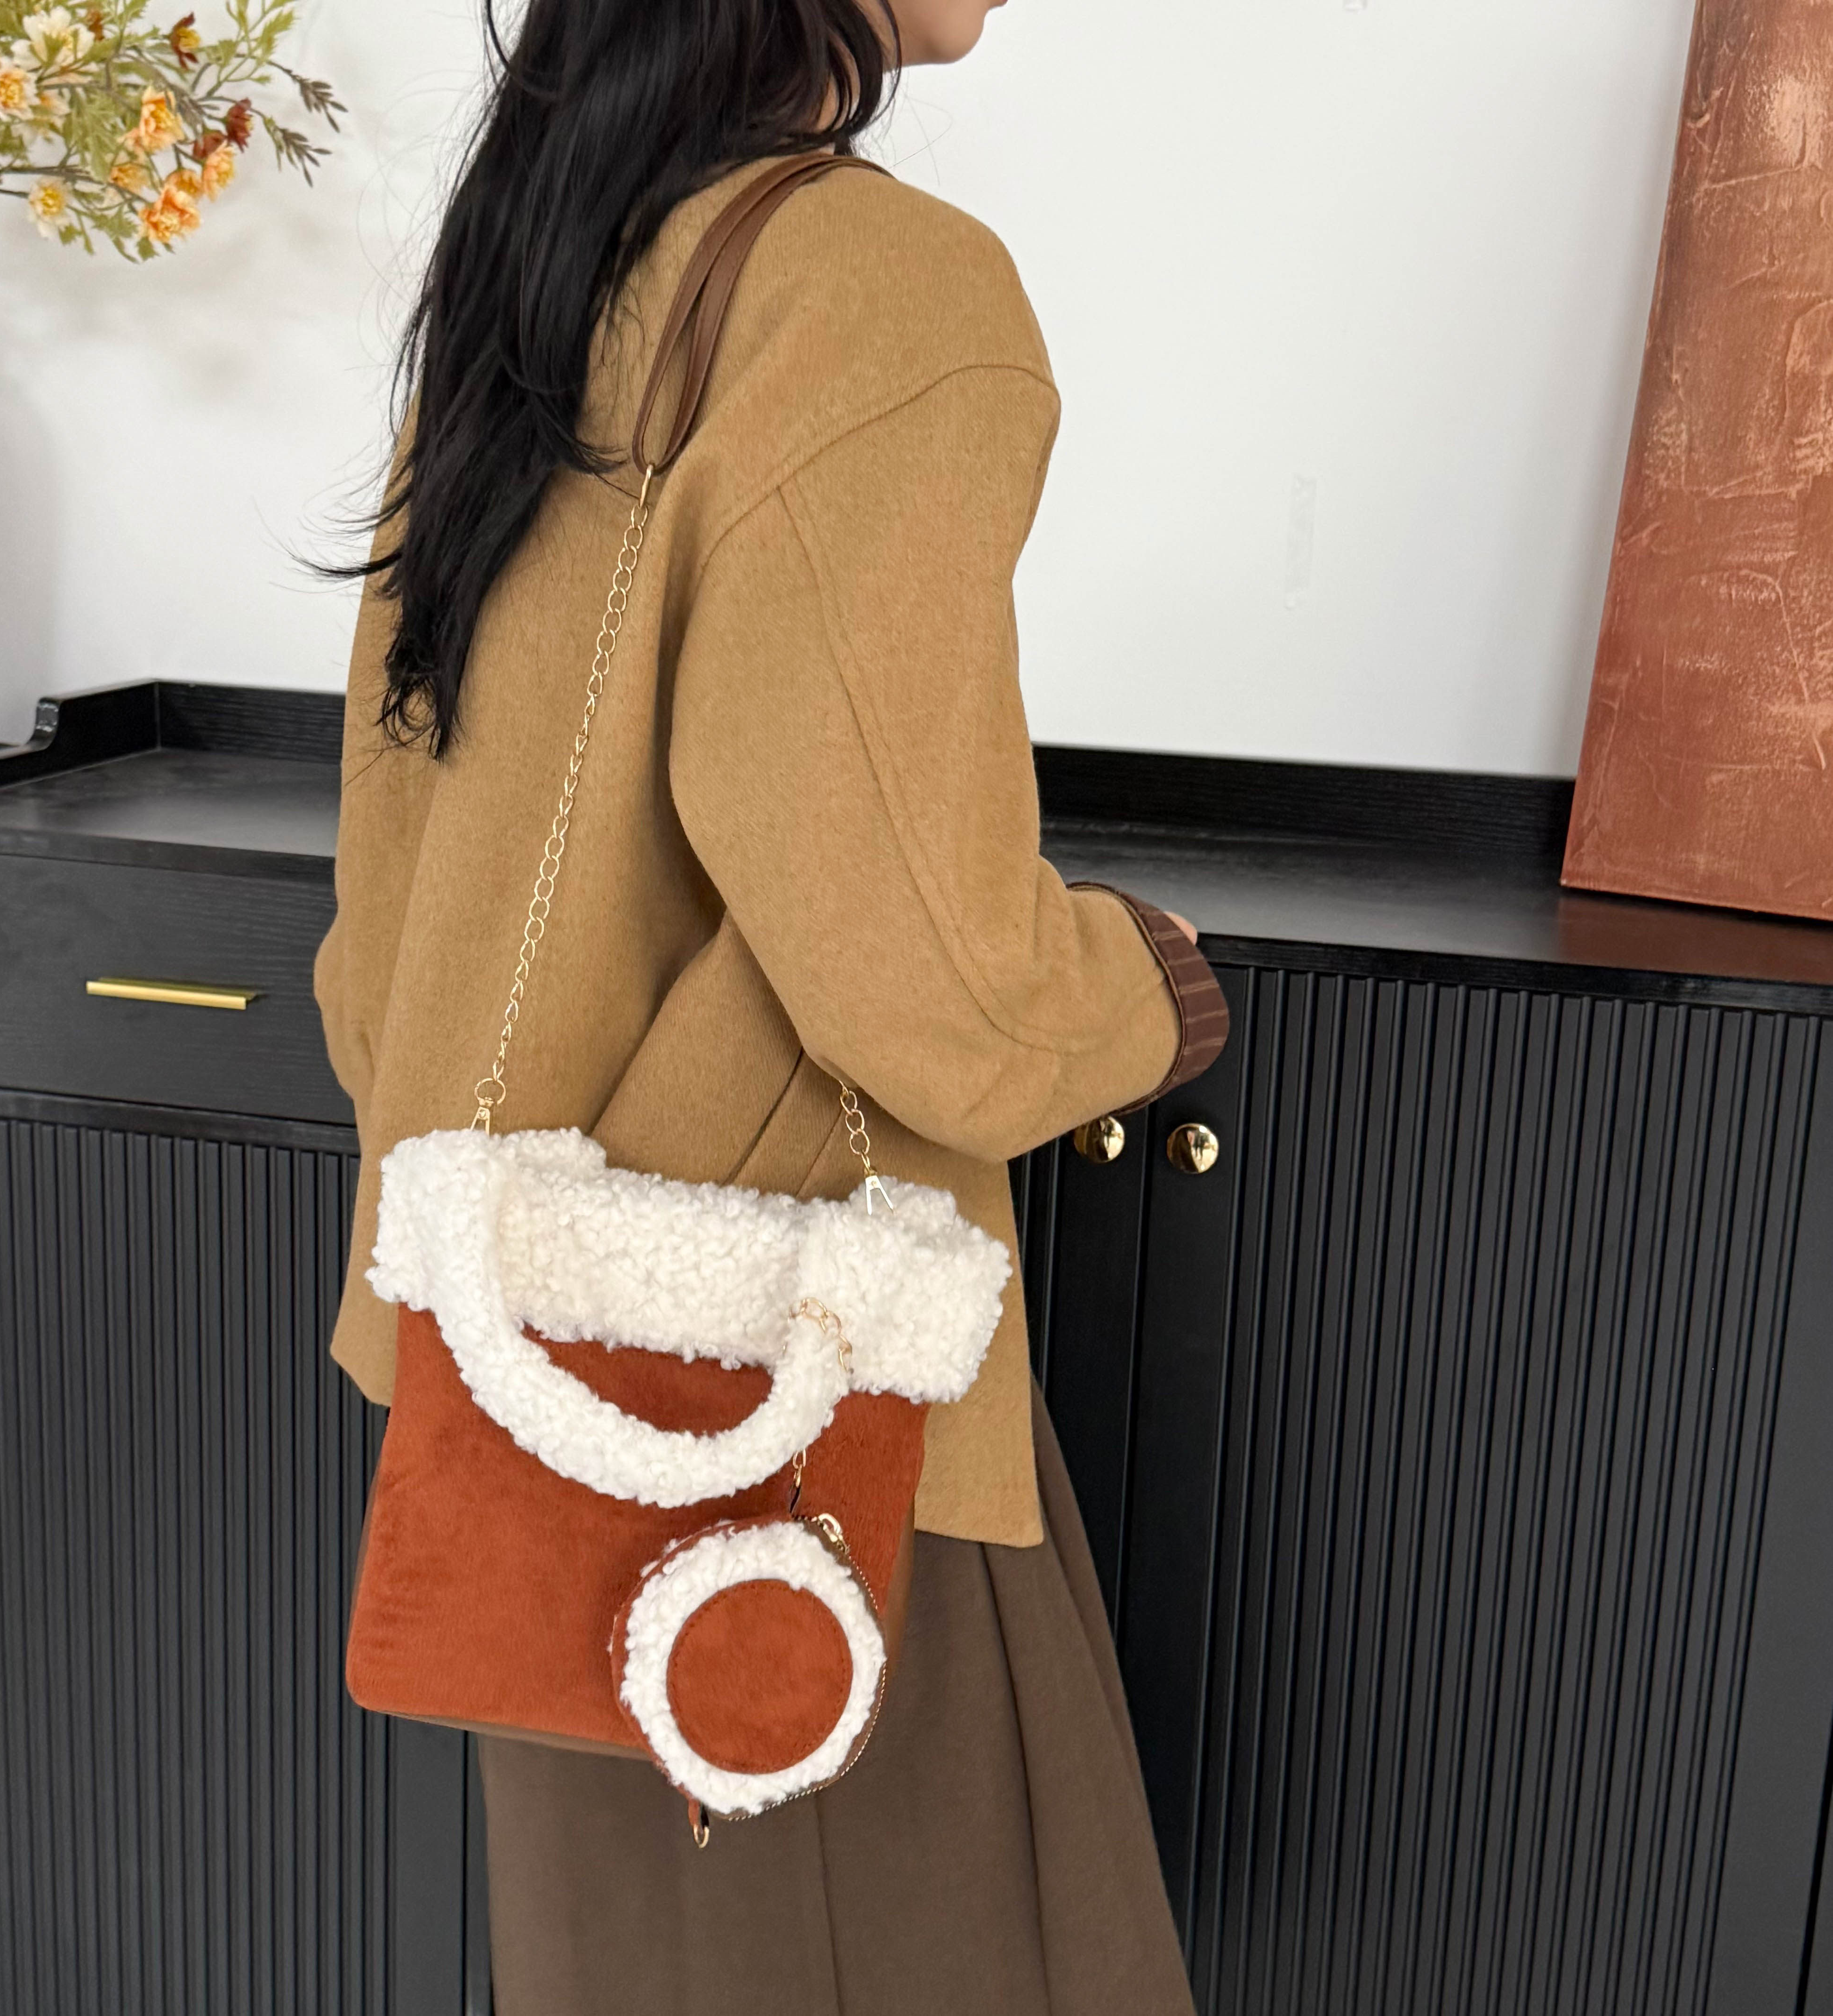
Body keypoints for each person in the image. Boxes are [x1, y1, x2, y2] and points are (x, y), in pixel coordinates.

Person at [314, 1, 1227, 2009]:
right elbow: (927, 974)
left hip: (516, 1386)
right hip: (790, 1398)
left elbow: (389, 894)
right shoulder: (875, 282)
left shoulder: (543, 254)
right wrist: (1130, 996)